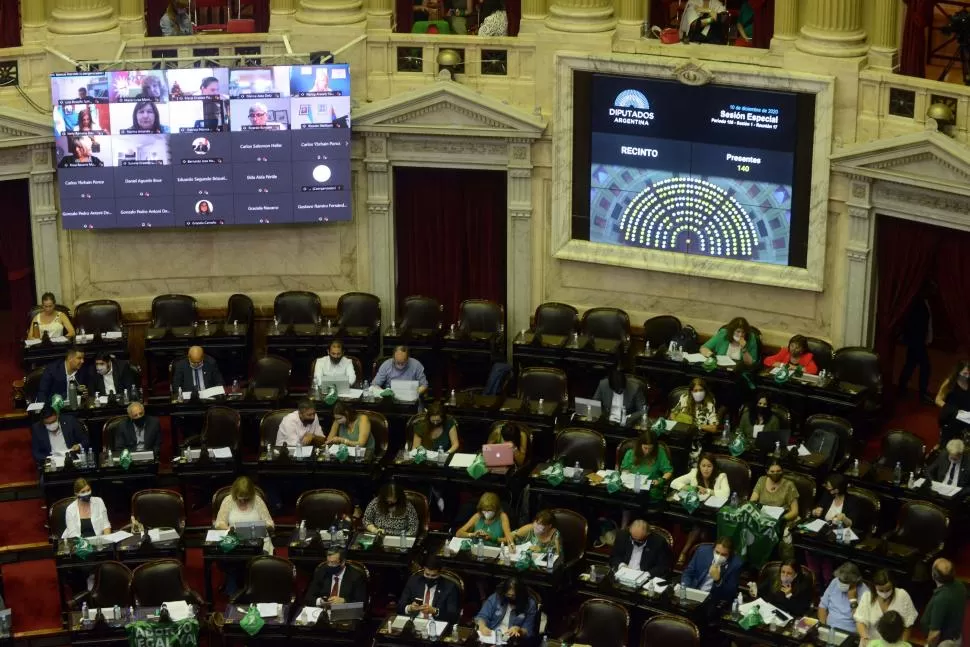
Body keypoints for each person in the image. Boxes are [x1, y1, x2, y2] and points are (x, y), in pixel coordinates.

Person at [670, 452, 730, 566]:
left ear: (714, 467)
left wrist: (707, 491)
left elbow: (725, 494)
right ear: (699, 466)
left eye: (709, 466)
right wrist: (691, 488)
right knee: (699, 526)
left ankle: (685, 552)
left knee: (699, 527)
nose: (706, 469)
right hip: (697, 511)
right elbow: (674, 483)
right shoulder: (694, 473)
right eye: (703, 466)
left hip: (713, 513)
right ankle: (694, 554)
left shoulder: (721, 476)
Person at [806, 474, 859, 586]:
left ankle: (827, 579)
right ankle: (815, 578)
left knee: (827, 551)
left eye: (831, 488)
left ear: (838, 488)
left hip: (841, 533)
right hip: (824, 531)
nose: (829, 490)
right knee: (810, 545)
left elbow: (852, 523)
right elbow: (816, 510)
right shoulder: (827, 495)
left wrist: (844, 518)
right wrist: (815, 511)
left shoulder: (852, 500)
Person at [214, 476, 275, 554]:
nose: (243, 502)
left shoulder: (257, 500)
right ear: (235, 494)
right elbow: (219, 523)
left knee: (261, 555)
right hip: (235, 539)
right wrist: (229, 529)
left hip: (257, 540)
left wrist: (265, 526)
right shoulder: (228, 500)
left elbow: (270, 523)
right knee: (225, 552)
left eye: (246, 499)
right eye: (240, 499)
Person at [855, 571, 917, 646]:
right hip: (871, 642)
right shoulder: (867, 597)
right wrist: (865, 639)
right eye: (881, 590)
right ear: (874, 587)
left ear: (893, 586)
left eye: (888, 590)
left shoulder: (902, 595)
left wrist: (902, 644)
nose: (884, 593)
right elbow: (860, 621)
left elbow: (908, 624)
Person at [897, 283, 934, 404]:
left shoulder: (923, 302)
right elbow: (913, 323)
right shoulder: (918, 303)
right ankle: (922, 394)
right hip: (916, 341)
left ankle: (902, 389)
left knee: (910, 365)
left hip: (916, 340)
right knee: (925, 366)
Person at [398, 555, 460, 623]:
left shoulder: (450, 587)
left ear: (440, 572)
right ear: (424, 569)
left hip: (436, 623)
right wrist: (410, 608)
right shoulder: (413, 581)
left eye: (433, 575)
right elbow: (400, 606)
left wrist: (435, 611)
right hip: (413, 621)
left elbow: (453, 616)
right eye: (427, 574)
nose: (429, 578)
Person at [680, 536, 742, 603]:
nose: (719, 557)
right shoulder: (702, 551)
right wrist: (685, 589)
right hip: (693, 591)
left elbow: (729, 594)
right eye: (717, 552)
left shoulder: (735, 564)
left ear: (730, 554)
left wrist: (718, 581)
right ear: (713, 548)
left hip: (713, 600)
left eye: (724, 555)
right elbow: (688, 573)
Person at [922, 558, 965, 646]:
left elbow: (935, 633)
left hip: (944, 643)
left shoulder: (941, 599)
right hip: (954, 637)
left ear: (933, 575)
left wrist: (929, 645)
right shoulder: (960, 585)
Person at [619, 429, 673, 499]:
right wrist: (627, 478)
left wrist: (661, 480)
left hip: (651, 488)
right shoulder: (631, 453)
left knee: (642, 496)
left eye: (650, 448)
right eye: (645, 448)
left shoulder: (660, 453)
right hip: (632, 487)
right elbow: (625, 470)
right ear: (640, 445)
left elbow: (668, 471)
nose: (647, 451)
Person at [818, 561, 869, 633]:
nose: (841, 584)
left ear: (855, 582)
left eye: (845, 583)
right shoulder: (835, 582)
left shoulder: (865, 592)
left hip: (849, 633)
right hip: (828, 628)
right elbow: (822, 606)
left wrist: (853, 600)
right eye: (840, 580)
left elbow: (861, 621)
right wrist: (823, 627)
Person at [936, 360, 970, 445]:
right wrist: (951, 409)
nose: (967, 376)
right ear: (958, 372)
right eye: (965, 373)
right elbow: (938, 399)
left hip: (967, 418)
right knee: (945, 445)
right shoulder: (951, 382)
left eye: (969, 373)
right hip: (951, 417)